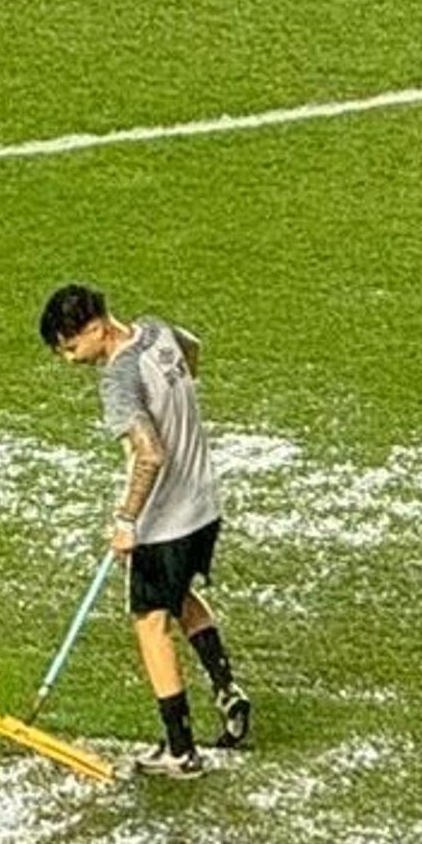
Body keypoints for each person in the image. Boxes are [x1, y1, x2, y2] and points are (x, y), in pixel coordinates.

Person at [38, 284, 251, 776]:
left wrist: (126, 520)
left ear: (96, 328)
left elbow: (150, 453)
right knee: (180, 597)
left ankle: (180, 750)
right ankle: (227, 691)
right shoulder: (156, 331)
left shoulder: (118, 379)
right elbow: (191, 350)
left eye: (72, 347)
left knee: (150, 623)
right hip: (203, 502)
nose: (70, 360)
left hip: (165, 520)